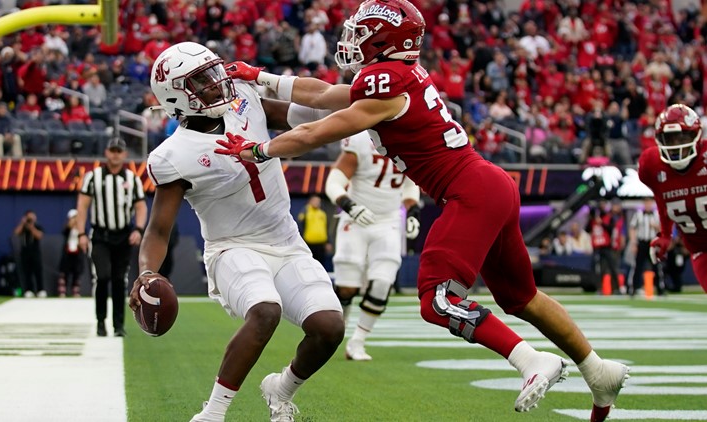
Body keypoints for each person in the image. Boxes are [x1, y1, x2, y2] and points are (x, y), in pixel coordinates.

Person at [219, 1, 629, 419]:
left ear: (384, 39)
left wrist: (259, 149)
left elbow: (318, 130)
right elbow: (324, 95)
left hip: (471, 191)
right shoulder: (396, 75)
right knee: (521, 297)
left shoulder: (383, 82)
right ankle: (597, 370)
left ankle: (528, 360)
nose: (354, 39)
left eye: (363, 32)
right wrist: (261, 78)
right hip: (492, 185)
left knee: (437, 299)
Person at [130, 42, 344, 422]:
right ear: (176, 95)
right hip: (232, 247)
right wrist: (147, 271)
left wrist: (350, 101)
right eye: (202, 80)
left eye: (213, 72)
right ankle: (212, 413)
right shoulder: (172, 155)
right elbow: (159, 228)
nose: (216, 82)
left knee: (328, 328)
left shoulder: (243, 97)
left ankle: (281, 390)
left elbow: (305, 114)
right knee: (265, 312)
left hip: (287, 243)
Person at [324, 131, 421, 361]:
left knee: (382, 284)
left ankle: (357, 342)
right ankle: (338, 330)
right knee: (347, 287)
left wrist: (413, 211)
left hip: (388, 220)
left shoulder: (411, 139)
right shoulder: (360, 139)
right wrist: (349, 205)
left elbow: (410, 184)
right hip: (355, 217)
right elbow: (334, 181)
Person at [76, 138, 147, 337]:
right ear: (107, 153)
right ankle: (100, 321)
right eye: (112, 150)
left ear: (124, 154)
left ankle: (118, 325)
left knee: (119, 280)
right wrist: (81, 233)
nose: (115, 154)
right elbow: (82, 205)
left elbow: (141, 206)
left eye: (119, 151)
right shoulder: (93, 177)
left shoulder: (132, 179)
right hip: (101, 235)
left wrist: (138, 229)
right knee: (103, 276)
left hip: (123, 235)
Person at [637, 103, 707, 294]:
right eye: (670, 139)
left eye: (682, 137)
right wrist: (666, 234)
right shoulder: (651, 166)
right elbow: (663, 197)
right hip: (701, 249)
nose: (676, 145)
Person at [626, 196, 664, 296]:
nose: (648, 205)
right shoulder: (638, 214)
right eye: (646, 202)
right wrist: (633, 242)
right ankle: (633, 288)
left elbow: (662, 229)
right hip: (642, 242)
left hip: (652, 243)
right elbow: (632, 228)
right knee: (638, 266)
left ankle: (660, 288)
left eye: (649, 202)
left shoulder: (656, 214)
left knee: (656, 266)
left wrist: (655, 226)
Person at [13, 210, 46, 298]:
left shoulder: (37, 226)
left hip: (35, 252)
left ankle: (40, 290)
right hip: (25, 252)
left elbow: (39, 236)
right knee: (27, 272)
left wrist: (32, 227)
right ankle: (28, 290)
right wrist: (22, 223)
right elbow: (16, 233)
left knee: (38, 271)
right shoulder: (23, 227)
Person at [296, 194, 329, 266]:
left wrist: (328, 242)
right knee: (309, 264)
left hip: (321, 244)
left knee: (321, 265)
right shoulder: (305, 211)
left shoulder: (322, 213)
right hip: (309, 243)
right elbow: (300, 226)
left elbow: (326, 228)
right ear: (310, 201)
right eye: (315, 201)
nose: (317, 203)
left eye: (318, 201)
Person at [58, 209, 84, 298]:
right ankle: (62, 291)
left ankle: (75, 292)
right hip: (67, 254)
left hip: (77, 253)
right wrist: (71, 224)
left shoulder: (81, 229)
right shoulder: (67, 229)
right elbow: (64, 232)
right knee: (64, 272)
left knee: (76, 272)